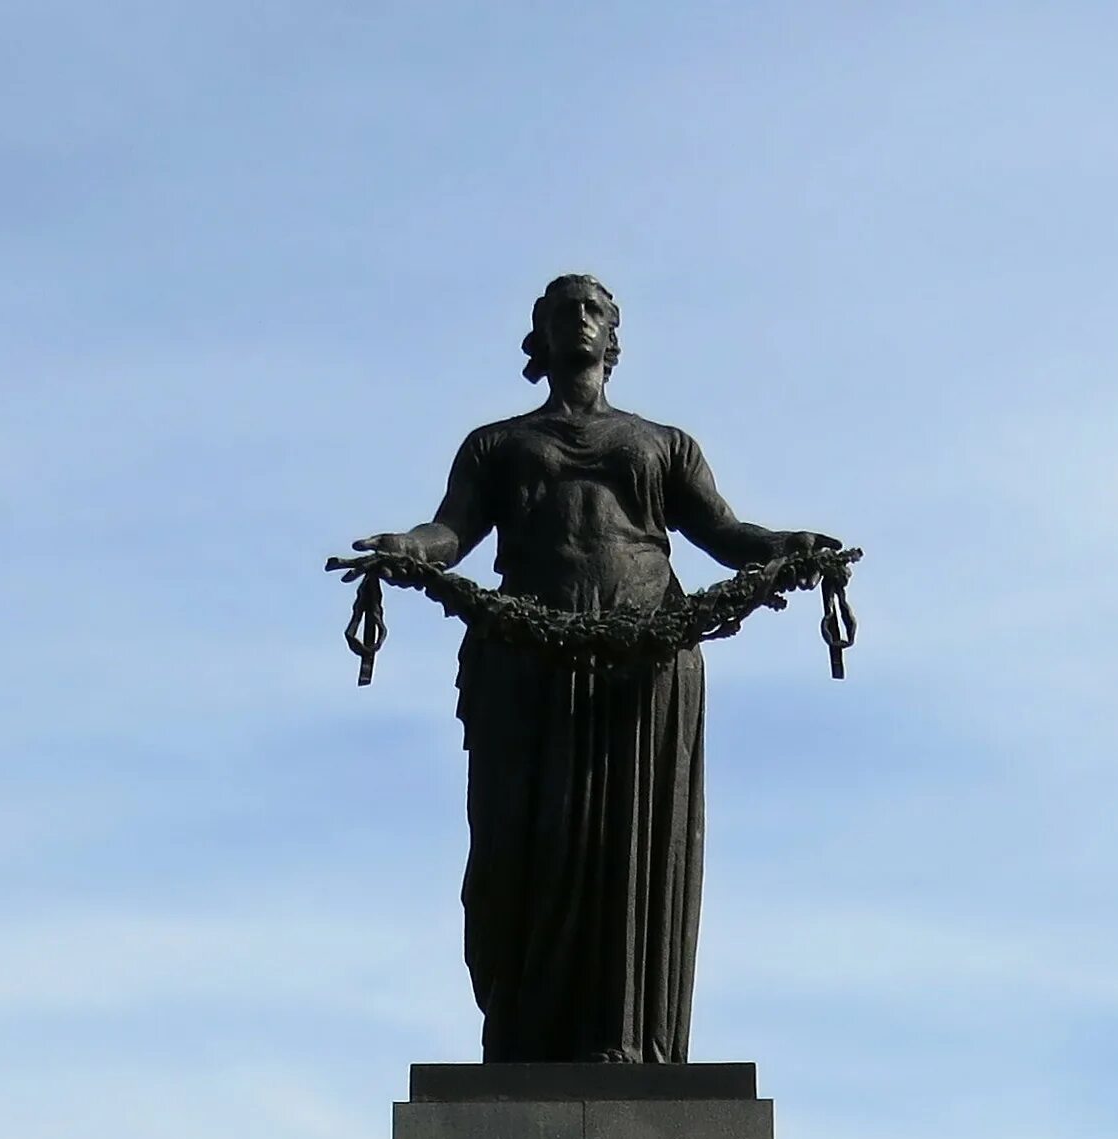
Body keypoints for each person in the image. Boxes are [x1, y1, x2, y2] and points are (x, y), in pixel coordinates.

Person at [351, 274, 840, 1063]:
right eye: (561, 310)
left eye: (594, 310)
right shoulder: (498, 444)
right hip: (529, 657)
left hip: (642, 658)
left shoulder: (662, 444)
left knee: (629, 843)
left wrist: (791, 547)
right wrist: (410, 548)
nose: (579, 319)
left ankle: (626, 1040)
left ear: (614, 340)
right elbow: (450, 531)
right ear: (537, 340)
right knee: (523, 844)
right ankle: (524, 1037)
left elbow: (727, 532)